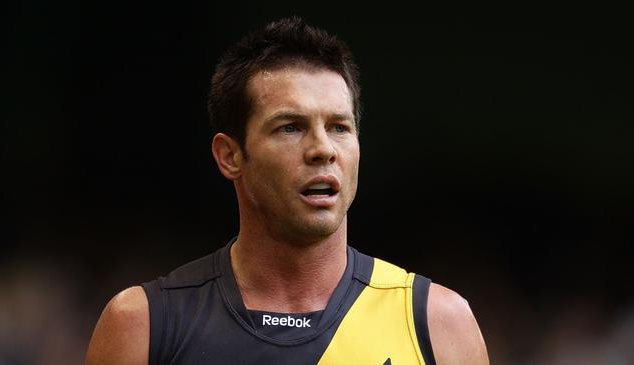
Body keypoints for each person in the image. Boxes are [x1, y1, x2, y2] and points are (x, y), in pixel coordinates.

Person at [85, 17, 489, 365]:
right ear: (230, 156)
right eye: (290, 127)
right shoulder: (144, 326)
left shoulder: (438, 324)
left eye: (339, 127)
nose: (323, 150)